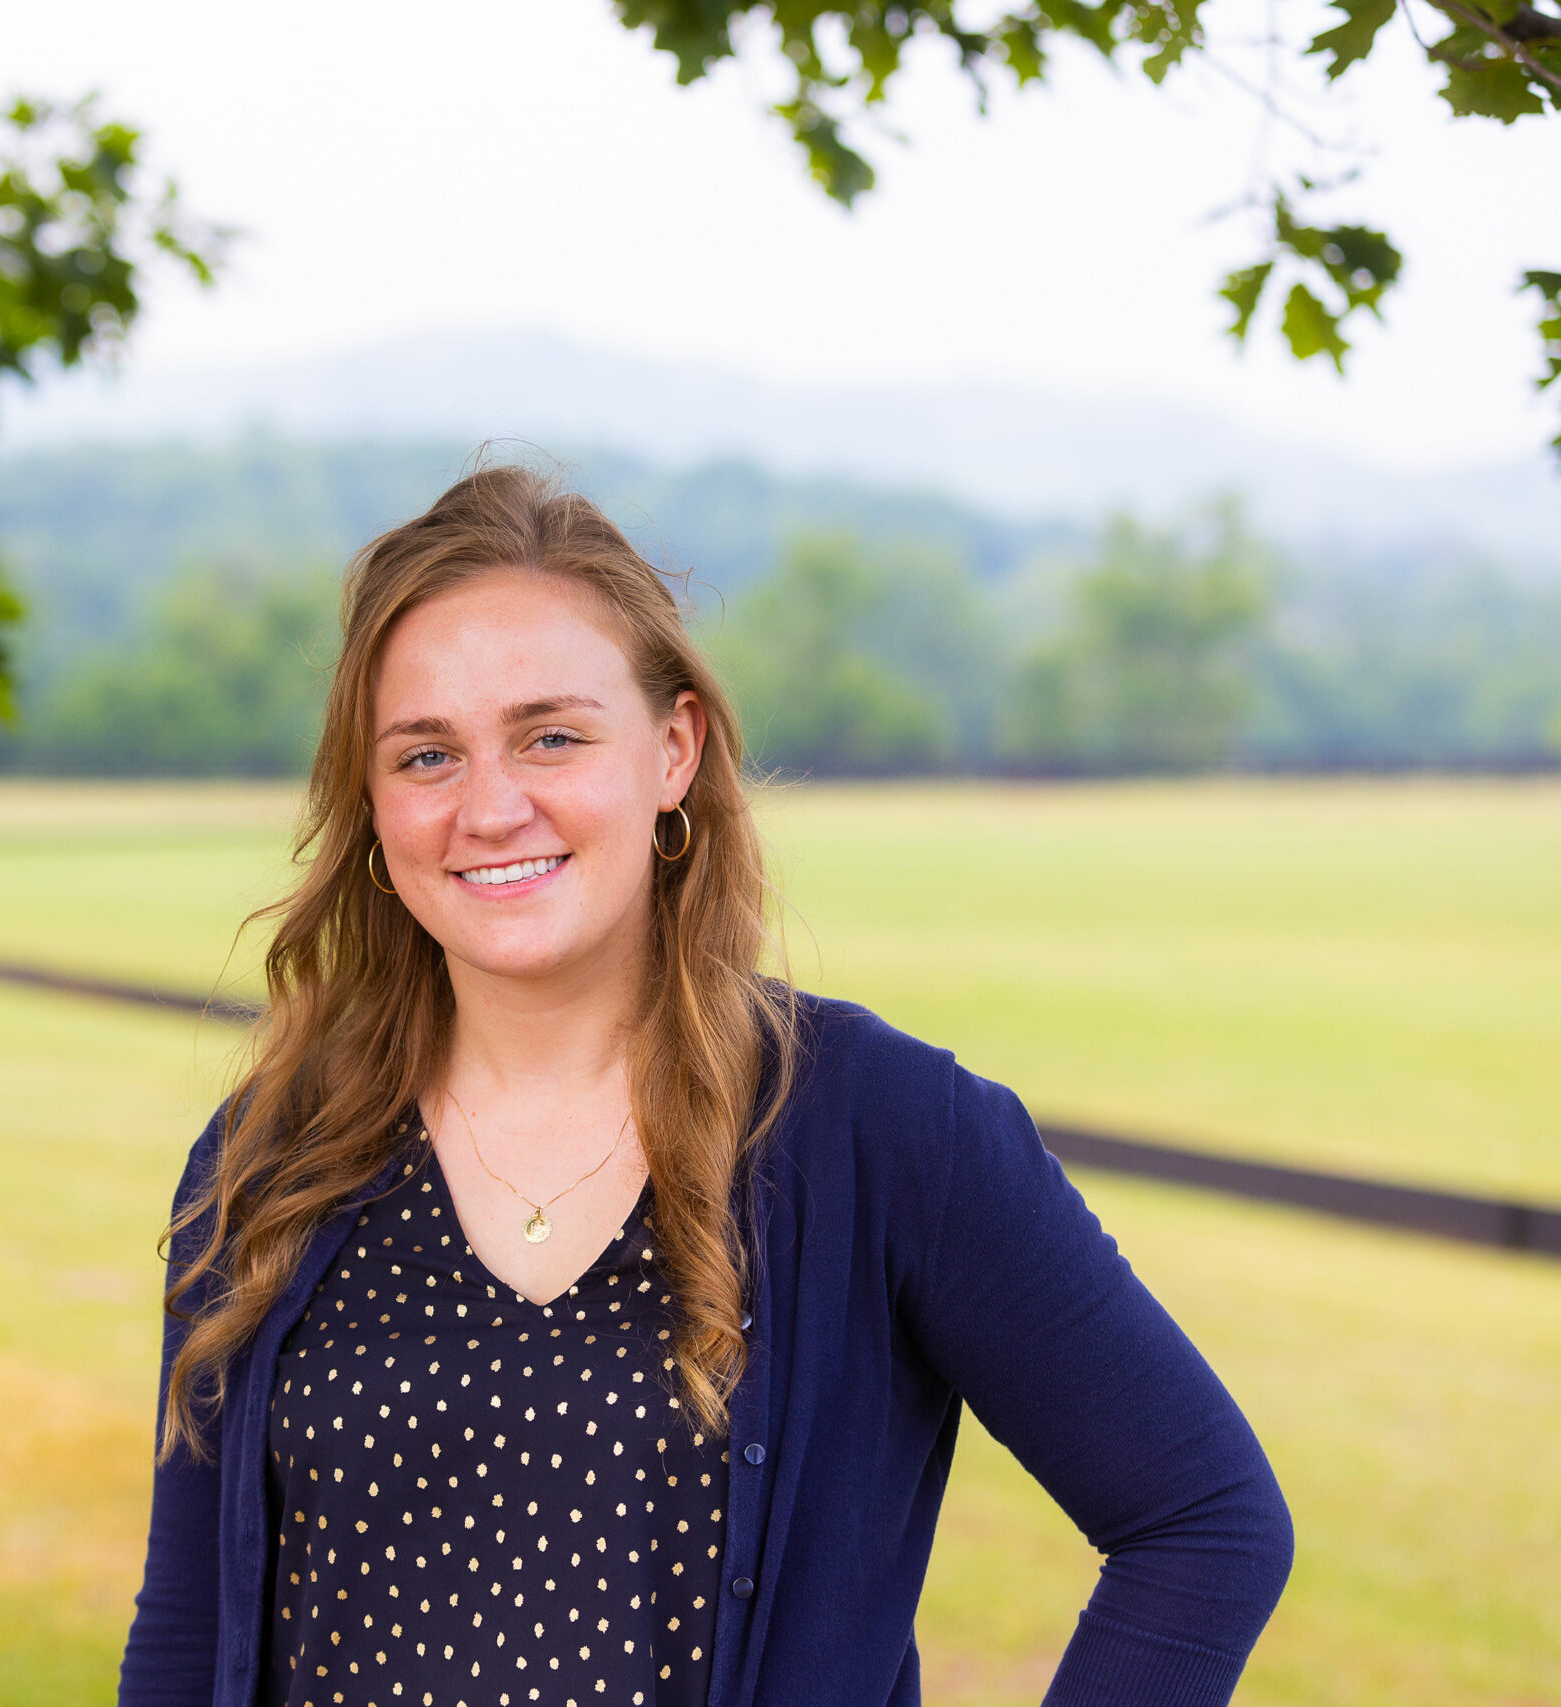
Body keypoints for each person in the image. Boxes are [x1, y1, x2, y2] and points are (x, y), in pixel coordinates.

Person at [117, 463, 1292, 1707]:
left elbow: (1203, 1524)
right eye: (424, 757)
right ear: (368, 798)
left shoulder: (885, 1132)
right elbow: (188, 1629)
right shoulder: (273, 1155)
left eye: (551, 736)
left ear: (671, 750)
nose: (490, 806)